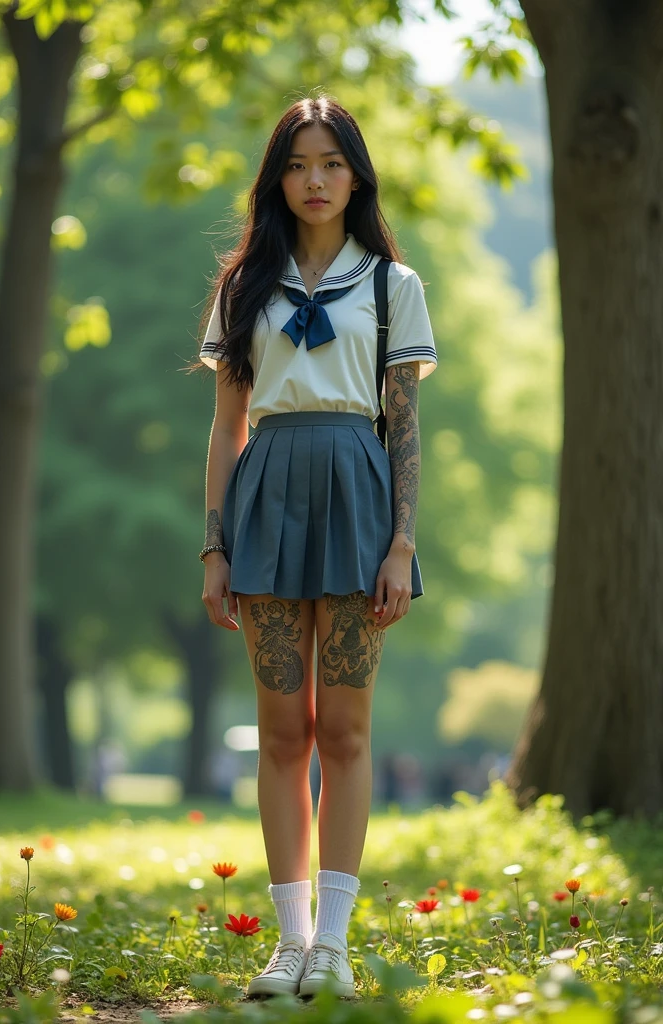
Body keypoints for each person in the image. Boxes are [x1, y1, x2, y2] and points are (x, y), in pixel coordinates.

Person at [194, 95, 437, 1000]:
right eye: (298, 164)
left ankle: (333, 946)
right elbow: (224, 429)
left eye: (332, 162)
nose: (316, 179)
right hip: (264, 498)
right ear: (277, 178)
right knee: (280, 733)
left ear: (356, 172)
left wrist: (403, 543)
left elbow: (405, 427)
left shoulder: (391, 287)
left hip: (356, 497)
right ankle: (289, 943)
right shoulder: (242, 286)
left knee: (344, 729)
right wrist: (214, 546)